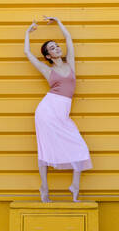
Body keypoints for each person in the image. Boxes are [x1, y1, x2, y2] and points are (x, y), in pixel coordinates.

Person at [24, 15, 93, 203]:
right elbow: (28, 54)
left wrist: (59, 22)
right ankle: (44, 188)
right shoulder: (48, 71)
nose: (57, 47)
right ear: (48, 56)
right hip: (47, 111)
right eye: (52, 48)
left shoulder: (70, 64)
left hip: (62, 113)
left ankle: (74, 186)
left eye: (56, 45)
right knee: (45, 149)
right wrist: (27, 34)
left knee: (79, 146)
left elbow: (69, 40)